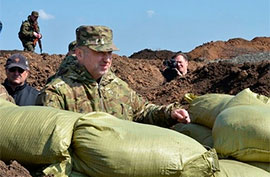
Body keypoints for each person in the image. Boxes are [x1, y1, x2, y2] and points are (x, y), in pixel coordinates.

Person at [36, 25, 190, 127]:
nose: (107, 59)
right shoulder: (57, 92)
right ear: (80, 54)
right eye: (99, 52)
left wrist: (169, 113)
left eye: (109, 52)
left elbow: (143, 112)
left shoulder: (117, 87)